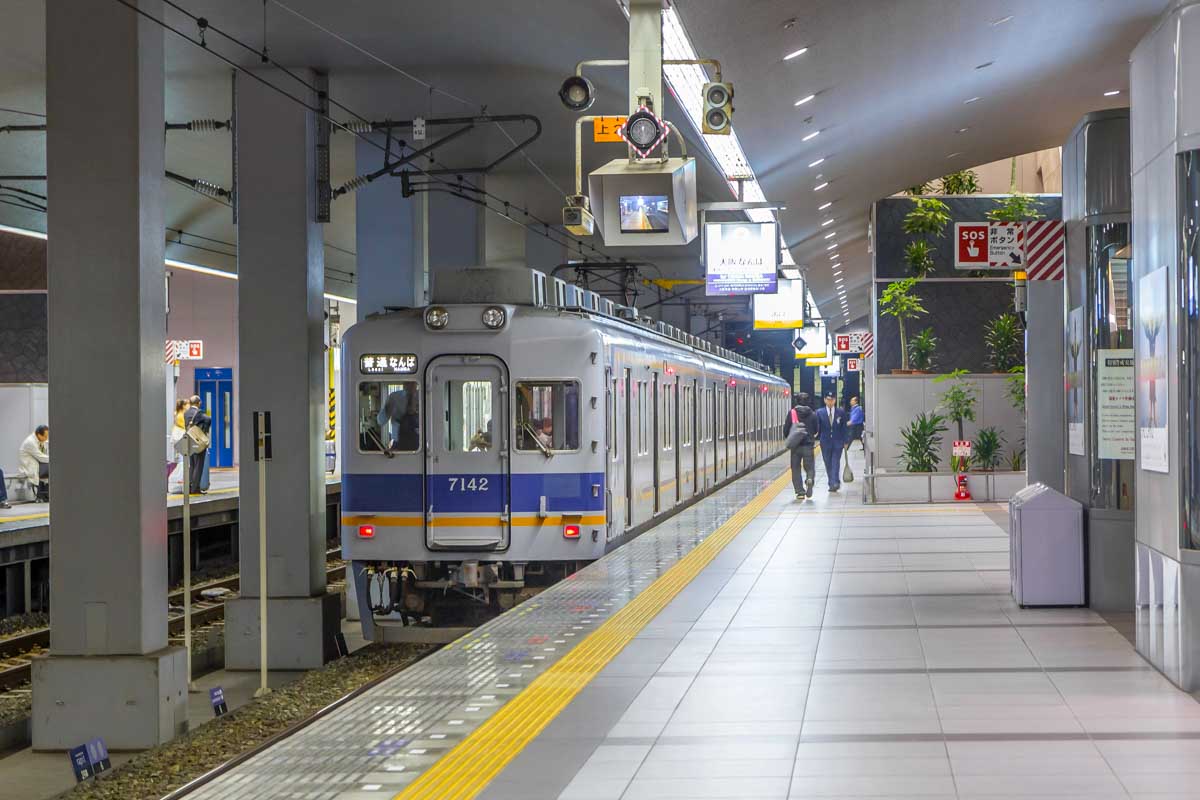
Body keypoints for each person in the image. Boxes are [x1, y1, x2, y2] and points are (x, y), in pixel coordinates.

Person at [783, 392, 818, 500]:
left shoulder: (792, 413)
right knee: (810, 466)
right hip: (808, 445)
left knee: (796, 468)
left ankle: (800, 492)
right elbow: (816, 430)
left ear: (796, 401)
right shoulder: (812, 414)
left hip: (795, 446)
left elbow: (786, 430)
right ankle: (810, 478)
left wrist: (791, 437)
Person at [816, 393, 848, 493]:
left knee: (835, 461)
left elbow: (844, 428)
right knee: (827, 462)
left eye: (832, 399)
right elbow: (818, 428)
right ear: (825, 400)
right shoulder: (819, 412)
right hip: (825, 442)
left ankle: (834, 483)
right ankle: (832, 482)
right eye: (828, 399)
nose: (830, 402)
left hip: (838, 441)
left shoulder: (840, 412)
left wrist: (846, 441)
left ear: (835, 400)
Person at [183, 396, 212, 495]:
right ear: (198, 403)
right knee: (198, 466)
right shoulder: (199, 412)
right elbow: (208, 419)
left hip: (189, 442)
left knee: (192, 465)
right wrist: (205, 429)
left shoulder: (186, 413)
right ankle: (195, 489)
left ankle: (189, 486)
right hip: (198, 442)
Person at [19, 425, 50, 502]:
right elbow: (40, 457)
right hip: (29, 465)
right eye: (45, 436)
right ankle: (42, 496)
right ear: (39, 435)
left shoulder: (41, 440)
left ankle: (45, 495)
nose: (47, 438)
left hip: (39, 464)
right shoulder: (30, 442)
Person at [168, 399, 188, 493]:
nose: (188, 406)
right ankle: (181, 480)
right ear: (183, 406)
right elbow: (185, 427)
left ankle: (181, 479)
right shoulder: (181, 416)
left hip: (179, 440)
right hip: (181, 440)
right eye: (187, 404)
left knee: (182, 460)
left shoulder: (178, 414)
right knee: (183, 461)